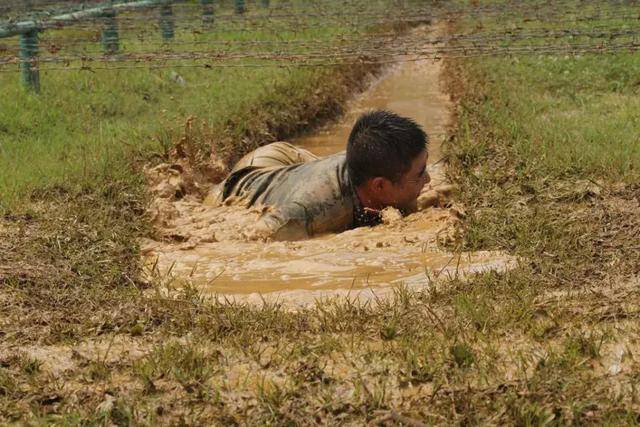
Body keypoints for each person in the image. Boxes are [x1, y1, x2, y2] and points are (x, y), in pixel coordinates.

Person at [213, 110, 432, 240]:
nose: (429, 180)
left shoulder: (374, 165)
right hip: (252, 174)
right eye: (420, 173)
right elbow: (260, 235)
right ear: (380, 186)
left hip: (304, 167)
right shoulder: (314, 211)